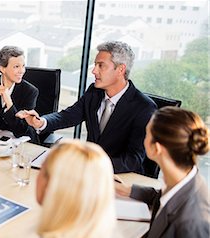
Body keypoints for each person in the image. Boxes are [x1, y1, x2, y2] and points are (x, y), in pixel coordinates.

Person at [17, 41, 156, 173]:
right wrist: (40, 122)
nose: (94, 71)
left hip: (119, 178)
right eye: (95, 65)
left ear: (120, 69)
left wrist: (90, 165)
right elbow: (69, 115)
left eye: (101, 65)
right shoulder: (94, 92)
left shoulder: (144, 108)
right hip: (87, 172)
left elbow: (133, 160)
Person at [115, 107, 209, 238]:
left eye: (146, 134)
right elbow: (164, 197)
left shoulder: (193, 220)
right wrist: (129, 190)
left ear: (156, 148)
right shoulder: (184, 179)